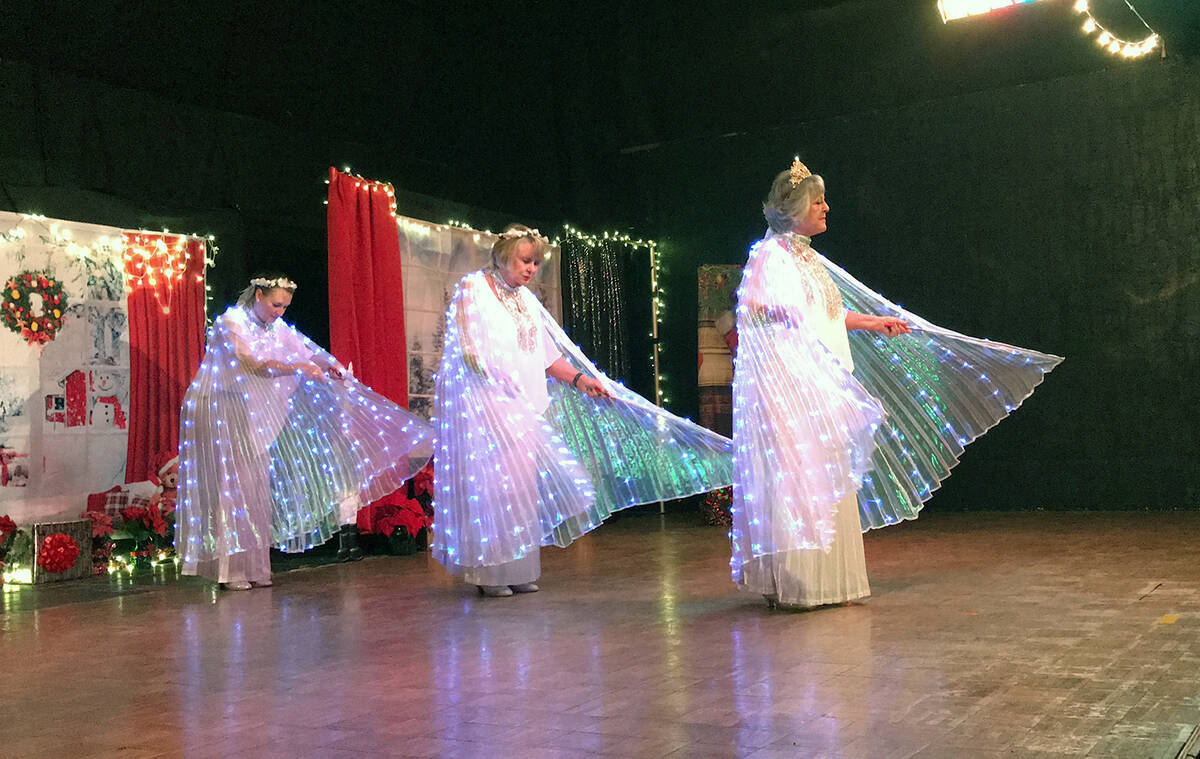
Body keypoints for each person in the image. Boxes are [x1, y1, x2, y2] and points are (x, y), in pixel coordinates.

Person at [732, 159, 1062, 609]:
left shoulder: (809, 258)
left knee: (826, 477)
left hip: (826, 381)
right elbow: (755, 307)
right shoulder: (769, 255)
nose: (827, 207)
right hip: (796, 389)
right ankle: (799, 583)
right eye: (818, 200)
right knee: (800, 480)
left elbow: (827, 314)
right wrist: (786, 316)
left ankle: (826, 582)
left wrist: (873, 321)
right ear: (794, 209)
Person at [430, 225, 734, 597]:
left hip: (526, 407)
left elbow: (547, 355)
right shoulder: (474, 288)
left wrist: (579, 380)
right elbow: (468, 346)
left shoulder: (526, 300)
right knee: (496, 488)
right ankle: (491, 575)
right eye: (526, 260)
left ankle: (518, 568)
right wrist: (493, 377)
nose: (531, 269)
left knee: (524, 489)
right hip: (490, 406)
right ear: (505, 253)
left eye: (536, 263)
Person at [176, 274, 434, 590]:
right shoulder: (232, 322)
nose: (279, 312)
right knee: (235, 486)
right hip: (226, 409)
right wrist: (298, 368)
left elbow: (305, 349)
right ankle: (231, 570)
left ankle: (253, 566)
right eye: (275, 304)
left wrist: (329, 367)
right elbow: (253, 364)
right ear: (258, 295)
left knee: (255, 485)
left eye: (284, 306)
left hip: (251, 411)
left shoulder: (276, 327)